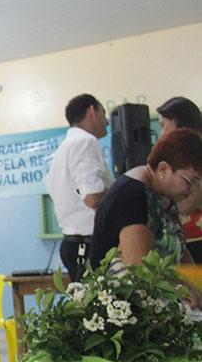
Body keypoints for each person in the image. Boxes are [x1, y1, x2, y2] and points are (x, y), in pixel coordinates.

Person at [90, 128, 202, 271]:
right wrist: (185, 289)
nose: (195, 189)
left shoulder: (165, 193)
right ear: (163, 169)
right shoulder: (134, 198)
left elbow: (179, 249)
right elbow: (140, 271)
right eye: (191, 181)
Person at [45, 93, 113, 281]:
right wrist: (120, 193)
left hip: (74, 243)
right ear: (92, 111)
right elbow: (92, 197)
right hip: (89, 244)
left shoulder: (64, 148)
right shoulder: (85, 142)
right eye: (103, 114)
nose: (106, 122)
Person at [154, 97, 202, 261]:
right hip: (185, 240)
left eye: (163, 126)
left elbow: (185, 206)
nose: (162, 134)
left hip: (197, 241)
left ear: (181, 124)